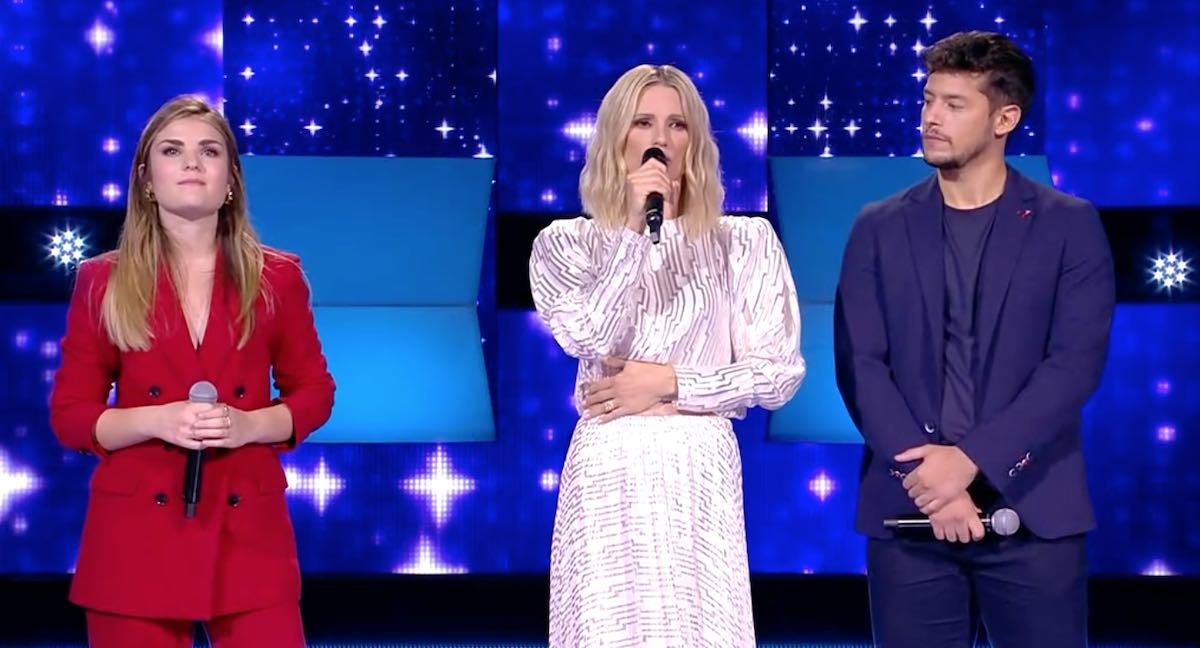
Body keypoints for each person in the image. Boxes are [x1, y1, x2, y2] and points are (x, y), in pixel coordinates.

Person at [833, 32, 1114, 648]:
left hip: (1034, 514)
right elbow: (862, 366)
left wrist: (968, 462)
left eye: (955, 104)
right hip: (910, 516)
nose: (931, 117)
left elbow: (1073, 367)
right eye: (928, 100)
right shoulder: (878, 226)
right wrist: (932, 483)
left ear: (1004, 119)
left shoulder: (1068, 225)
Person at [529, 64, 806, 647]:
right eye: (643, 123)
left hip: (699, 464)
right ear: (616, 139)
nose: (661, 139)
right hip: (610, 463)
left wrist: (672, 383)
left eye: (677, 125)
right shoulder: (565, 245)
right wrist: (632, 231)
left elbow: (778, 374)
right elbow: (589, 336)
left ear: (695, 142)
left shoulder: (744, 243)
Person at [49, 95, 335, 647]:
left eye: (209, 151)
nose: (191, 163)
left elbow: (315, 393)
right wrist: (157, 419)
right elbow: (71, 415)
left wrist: (250, 425)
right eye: (171, 150)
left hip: (248, 533)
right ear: (146, 179)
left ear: (231, 180)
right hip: (135, 539)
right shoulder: (102, 282)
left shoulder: (278, 278)